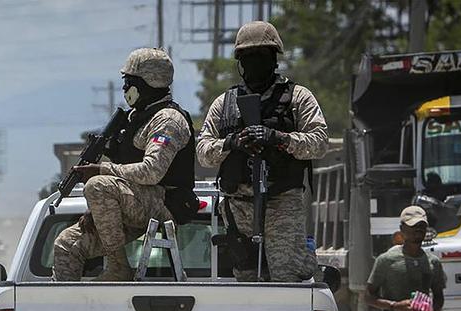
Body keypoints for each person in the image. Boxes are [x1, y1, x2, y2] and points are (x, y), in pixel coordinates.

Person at [196, 20, 327, 282]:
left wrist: (278, 138)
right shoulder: (225, 103)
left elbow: (319, 142)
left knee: (286, 276)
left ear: (274, 59)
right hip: (239, 205)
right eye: (248, 57)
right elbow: (203, 151)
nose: (254, 63)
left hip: (282, 202)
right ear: (240, 62)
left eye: (261, 56)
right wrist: (232, 143)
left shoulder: (297, 97)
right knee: (246, 277)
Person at [52, 48, 198, 281]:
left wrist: (101, 170)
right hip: (136, 204)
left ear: (148, 83)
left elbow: (151, 171)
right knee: (66, 244)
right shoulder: (135, 119)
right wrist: (98, 210)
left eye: (129, 82)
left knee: (98, 185)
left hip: (164, 203)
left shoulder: (168, 120)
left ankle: (118, 267)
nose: (124, 88)